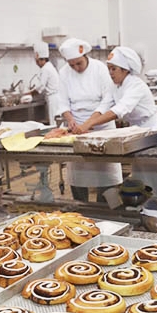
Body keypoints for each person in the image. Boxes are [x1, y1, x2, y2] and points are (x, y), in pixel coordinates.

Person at [75, 46, 157, 197]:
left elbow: (119, 110)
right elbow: (104, 106)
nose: (110, 73)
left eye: (114, 69)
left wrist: (88, 125)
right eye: (109, 69)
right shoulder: (115, 86)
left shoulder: (136, 85)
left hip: (152, 131)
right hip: (137, 132)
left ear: (125, 70)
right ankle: (146, 206)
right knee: (140, 173)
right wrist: (85, 124)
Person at [57, 38, 121, 203]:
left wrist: (90, 123)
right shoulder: (64, 73)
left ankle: (109, 209)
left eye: (79, 63)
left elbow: (108, 99)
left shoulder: (100, 69)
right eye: (72, 65)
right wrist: (70, 120)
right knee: (79, 171)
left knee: (107, 172)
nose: (76, 68)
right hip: (77, 128)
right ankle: (81, 208)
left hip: (103, 126)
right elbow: (63, 101)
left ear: (85, 55)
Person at [30, 42, 61, 125]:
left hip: (53, 99)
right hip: (55, 98)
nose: (36, 63)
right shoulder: (49, 66)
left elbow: (41, 86)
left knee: (54, 122)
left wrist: (29, 94)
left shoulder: (45, 69)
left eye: (36, 61)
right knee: (56, 121)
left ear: (40, 59)